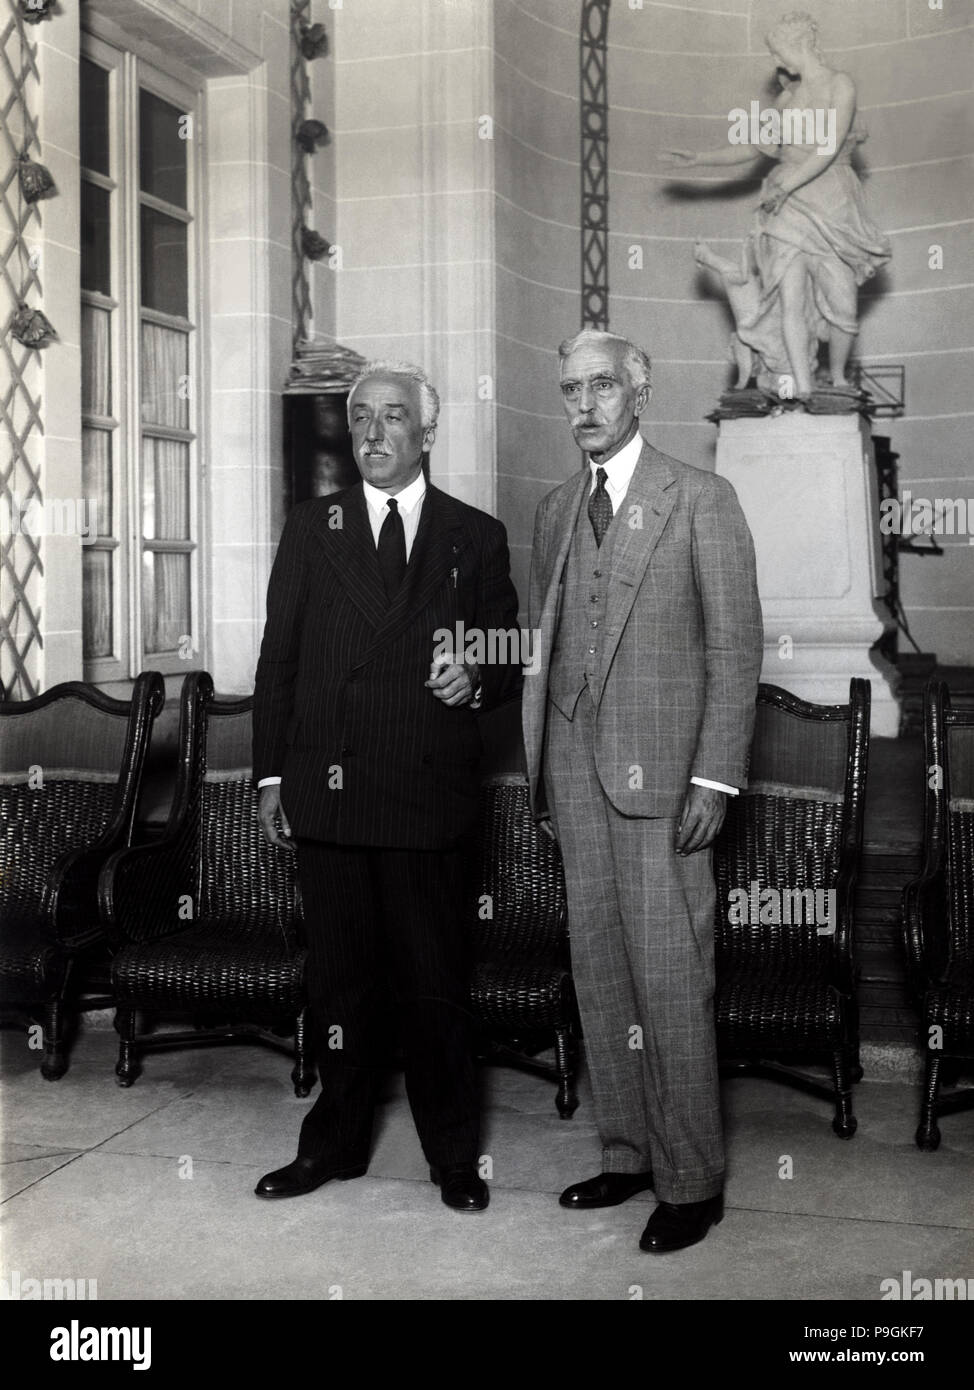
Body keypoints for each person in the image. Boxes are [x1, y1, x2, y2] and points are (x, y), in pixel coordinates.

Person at [252, 360, 520, 1211]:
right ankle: (334, 1146)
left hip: (426, 796)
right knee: (338, 988)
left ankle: (452, 1157)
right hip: (328, 798)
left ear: (428, 433)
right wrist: (269, 775)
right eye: (360, 416)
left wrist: (474, 676)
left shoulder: (475, 535)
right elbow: (279, 661)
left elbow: (512, 655)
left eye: (393, 416)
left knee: (435, 988)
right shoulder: (311, 526)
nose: (371, 432)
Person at [523, 328, 764, 1252]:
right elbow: (549, 647)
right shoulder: (554, 510)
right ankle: (625, 1155)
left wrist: (716, 773)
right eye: (570, 389)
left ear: (640, 390)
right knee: (600, 972)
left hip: (667, 782)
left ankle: (692, 1180)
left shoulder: (701, 498)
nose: (584, 405)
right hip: (574, 778)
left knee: (671, 979)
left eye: (602, 387)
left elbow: (737, 647)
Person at [664, 11, 891, 401]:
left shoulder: (841, 84)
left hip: (830, 199)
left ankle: (836, 379)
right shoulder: (787, 99)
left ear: (797, 43)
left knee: (844, 305)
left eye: (777, 50)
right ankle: (802, 388)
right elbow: (752, 147)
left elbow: (828, 147)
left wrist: (788, 186)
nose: (776, 61)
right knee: (791, 299)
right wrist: (699, 158)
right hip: (783, 206)